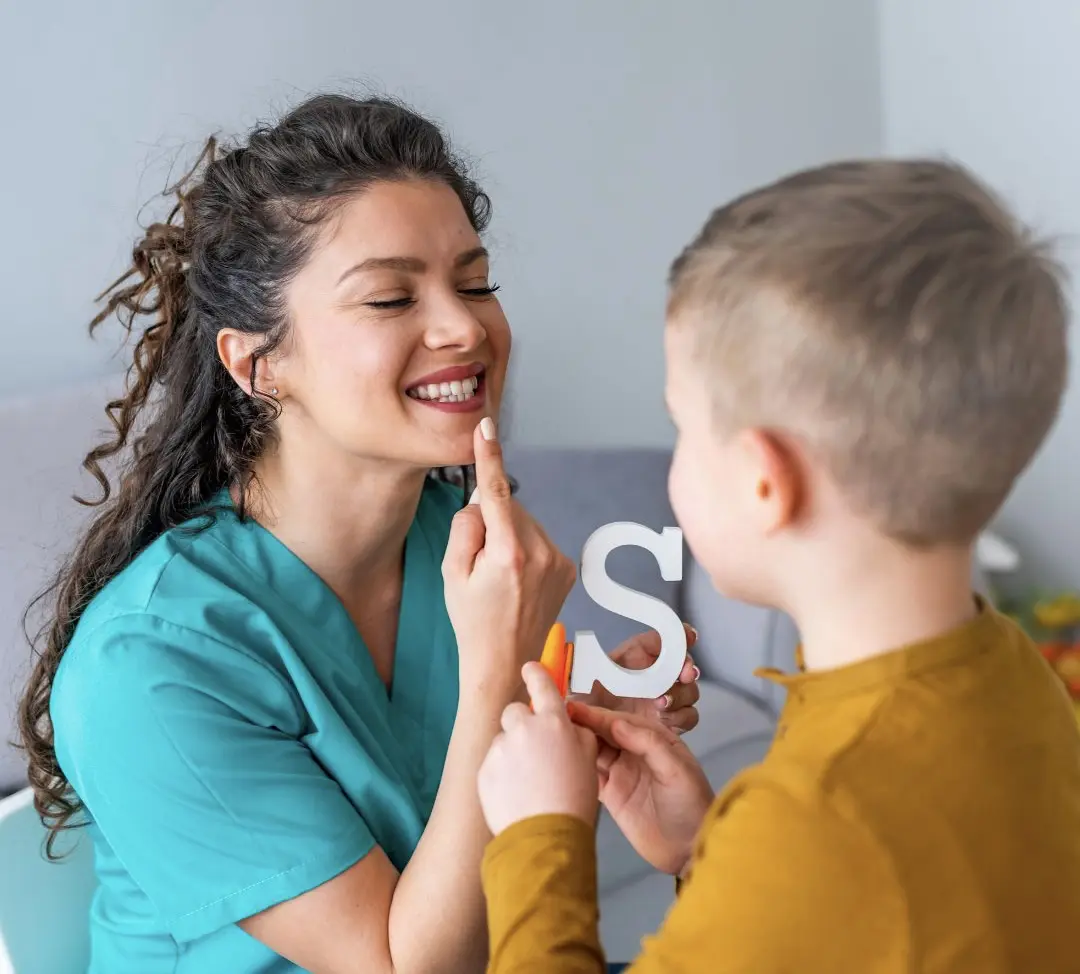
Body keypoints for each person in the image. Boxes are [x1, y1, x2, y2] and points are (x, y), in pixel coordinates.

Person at [15, 94, 701, 974]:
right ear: (256, 361)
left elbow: (462, 804)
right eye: (389, 297)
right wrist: (500, 670)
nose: (464, 326)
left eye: (475, 281)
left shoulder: (452, 542)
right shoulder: (146, 663)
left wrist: (575, 727)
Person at [475, 158, 1080, 973]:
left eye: (682, 428)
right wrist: (709, 854)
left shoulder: (817, 820)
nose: (674, 460)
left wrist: (538, 842)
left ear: (767, 483)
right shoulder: (1014, 673)